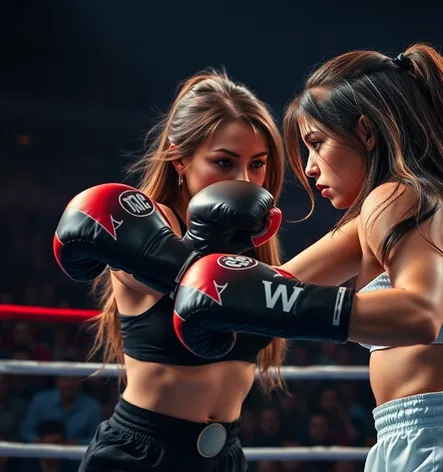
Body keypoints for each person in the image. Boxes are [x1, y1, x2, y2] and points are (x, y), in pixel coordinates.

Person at [174, 44, 443, 471]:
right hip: (438, 437)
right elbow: (268, 288)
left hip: (439, 442)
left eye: (317, 143)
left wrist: (280, 305)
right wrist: (207, 253)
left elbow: (420, 311)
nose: (310, 168)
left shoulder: (397, 197)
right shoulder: (412, 206)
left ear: (367, 133)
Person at [53, 71, 286, 471]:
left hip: (225, 456)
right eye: (224, 162)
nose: (244, 181)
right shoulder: (149, 225)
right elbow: (187, 280)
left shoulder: (255, 248)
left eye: (257, 164)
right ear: (180, 158)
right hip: (141, 455)